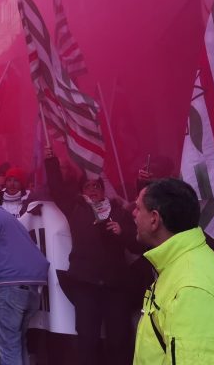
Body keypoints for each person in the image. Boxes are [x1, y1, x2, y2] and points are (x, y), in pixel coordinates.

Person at [132, 178, 214, 364]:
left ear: (154, 219)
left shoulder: (192, 289)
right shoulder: (181, 264)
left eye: (138, 208)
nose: (133, 214)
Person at [45, 150, 135, 364]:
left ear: (103, 190)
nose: (93, 189)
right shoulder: (76, 208)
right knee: (87, 339)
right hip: (85, 284)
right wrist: (51, 161)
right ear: (82, 190)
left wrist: (122, 232)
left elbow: (138, 244)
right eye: (88, 186)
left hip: (115, 286)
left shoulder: (119, 212)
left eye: (97, 186)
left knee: (118, 339)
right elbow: (57, 190)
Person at [0, 188, 49, 365]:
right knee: (18, 344)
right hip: (32, 287)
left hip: (10, 287)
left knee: (8, 348)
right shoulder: (10, 219)